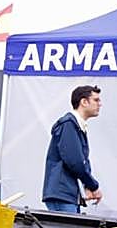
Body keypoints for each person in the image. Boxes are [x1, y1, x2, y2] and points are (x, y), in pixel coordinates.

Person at [43, 85, 102, 214]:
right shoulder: (69, 124)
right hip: (62, 195)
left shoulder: (75, 126)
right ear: (84, 102)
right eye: (96, 100)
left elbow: (79, 161)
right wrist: (93, 186)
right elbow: (75, 162)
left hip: (66, 195)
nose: (100, 104)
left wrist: (87, 185)